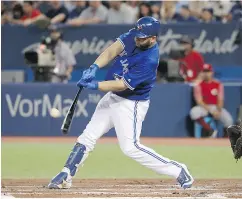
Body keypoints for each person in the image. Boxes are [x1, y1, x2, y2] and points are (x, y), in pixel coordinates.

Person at [48, 16, 194, 190]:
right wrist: (94, 67)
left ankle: (178, 170)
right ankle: (66, 174)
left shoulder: (150, 60)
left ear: (153, 38)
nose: (138, 39)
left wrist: (95, 85)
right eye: (138, 35)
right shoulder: (134, 35)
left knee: (130, 147)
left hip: (131, 103)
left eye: (142, 37)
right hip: (112, 97)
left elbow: (122, 85)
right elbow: (111, 51)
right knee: (88, 136)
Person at [190, 63, 233, 137]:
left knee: (229, 120)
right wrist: (212, 111)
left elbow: (220, 99)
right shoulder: (198, 85)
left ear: (212, 72)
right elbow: (199, 101)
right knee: (194, 112)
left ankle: (224, 140)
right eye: (204, 71)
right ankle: (210, 130)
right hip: (204, 107)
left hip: (216, 107)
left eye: (208, 71)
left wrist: (218, 111)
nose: (206, 74)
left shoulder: (218, 84)